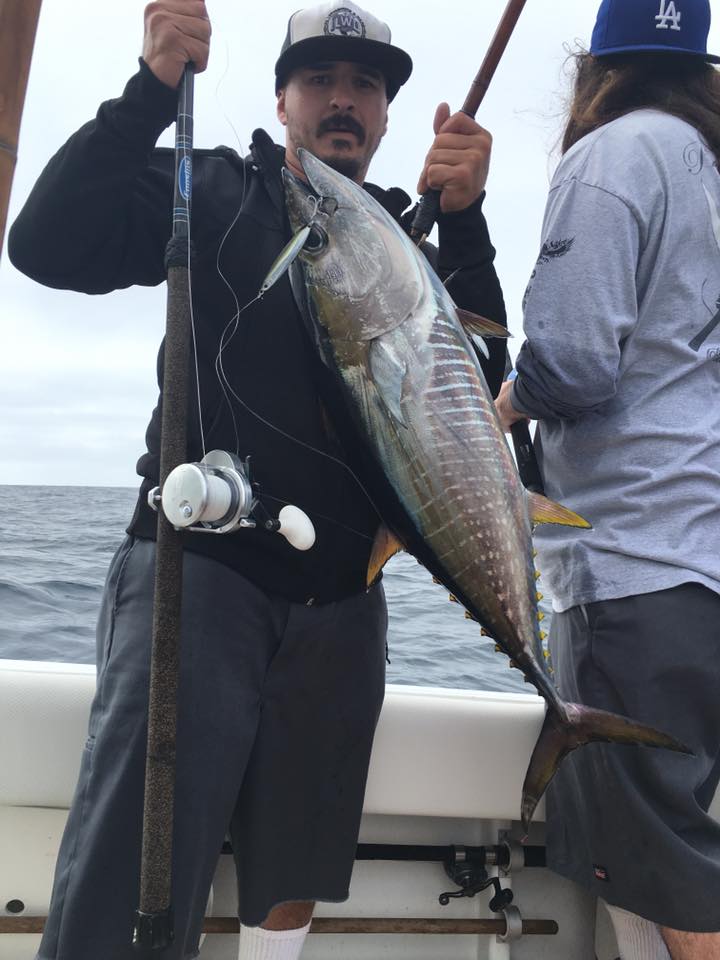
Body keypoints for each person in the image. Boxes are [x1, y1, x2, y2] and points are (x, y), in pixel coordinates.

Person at [9, 2, 507, 958]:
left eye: (366, 85)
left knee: (292, 883)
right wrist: (150, 91)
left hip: (344, 609)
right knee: (134, 878)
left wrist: (469, 223)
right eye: (319, 79)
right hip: (201, 581)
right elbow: (45, 243)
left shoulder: (408, 246)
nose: (343, 101)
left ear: (390, 114)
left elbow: (474, 419)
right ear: (282, 98)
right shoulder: (211, 188)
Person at [495, 1, 720, 958]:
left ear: (594, 70)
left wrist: (486, 409)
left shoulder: (610, 158)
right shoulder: (709, 168)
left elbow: (574, 366)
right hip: (702, 567)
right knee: (656, 852)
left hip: (634, 564)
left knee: (667, 867)